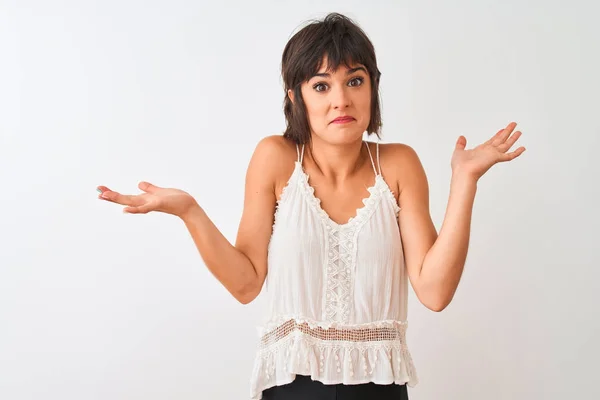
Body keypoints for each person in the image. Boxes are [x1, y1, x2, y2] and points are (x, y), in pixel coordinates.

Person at [97, 12, 525, 400]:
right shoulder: (275, 158)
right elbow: (246, 284)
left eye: (354, 80)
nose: (341, 99)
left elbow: (434, 291)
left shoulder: (399, 164)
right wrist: (189, 210)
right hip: (292, 387)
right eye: (321, 85)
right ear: (296, 96)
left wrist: (465, 181)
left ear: (373, 86)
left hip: (379, 388)